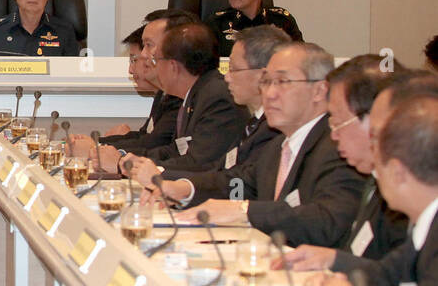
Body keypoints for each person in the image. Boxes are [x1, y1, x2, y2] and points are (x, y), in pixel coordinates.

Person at [148, 42, 365, 247]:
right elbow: (240, 182)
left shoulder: (338, 146)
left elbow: (327, 220)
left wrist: (244, 210)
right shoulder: (278, 146)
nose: (269, 94)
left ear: (319, 90)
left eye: (282, 82)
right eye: (266, 82)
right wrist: (184, 188)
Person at [297, 96, 438, 286]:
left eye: (378, 159)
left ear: (397, 173)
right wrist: (331, 283)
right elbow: (385, 274)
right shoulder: (425, 222)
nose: (374, 172)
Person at [284, 70, 438, 273]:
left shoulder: (412, 193)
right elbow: (395, 273)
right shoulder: (378, 183)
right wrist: (334, 261)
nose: (334, 135)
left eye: (339, 122)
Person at [135, 25, 288, 182]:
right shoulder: (255, 123)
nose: (227, 77)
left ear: (262, 75)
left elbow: (220, 172)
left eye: (233, 69)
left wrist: (159, 174)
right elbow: (222, 171)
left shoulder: (218, 97)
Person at [69, 10, 197, 168]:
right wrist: (102, 149)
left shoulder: (204, 96)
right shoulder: (168, 93)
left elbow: (161, 146)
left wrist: (101, 152)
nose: (144, 55)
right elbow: (162, 147)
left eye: (148, 46)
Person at [109, 22, 245, 171]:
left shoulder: (216, 98)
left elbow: (198, 164)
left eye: (157, 61)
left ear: (173, 67)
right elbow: (175, 151)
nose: (153, 66)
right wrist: (124, 158)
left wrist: (124, 165)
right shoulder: (196, 94)